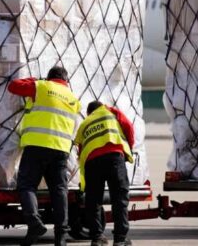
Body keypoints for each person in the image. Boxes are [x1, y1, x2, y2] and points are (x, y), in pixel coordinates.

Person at [9, 66, 81, 246]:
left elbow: (14, 86)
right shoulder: (73, 99)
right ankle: (61, 236)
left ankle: (34, 223)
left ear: (49, 78)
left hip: (37, 145)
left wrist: (34, 79)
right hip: (61, 150)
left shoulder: (41, 87)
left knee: (27, 186)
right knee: (59, 192)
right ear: (66, 80)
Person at [76, 101, 134, 246]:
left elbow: (81, 148)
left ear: (89, 113)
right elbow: (128, 127)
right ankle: (120, 239)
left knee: (93, 200)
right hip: (114, 157)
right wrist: (128, 149)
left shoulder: (85, 123)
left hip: (92, 162)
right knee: (119, 199)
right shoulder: (111, 112)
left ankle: (97, 238)